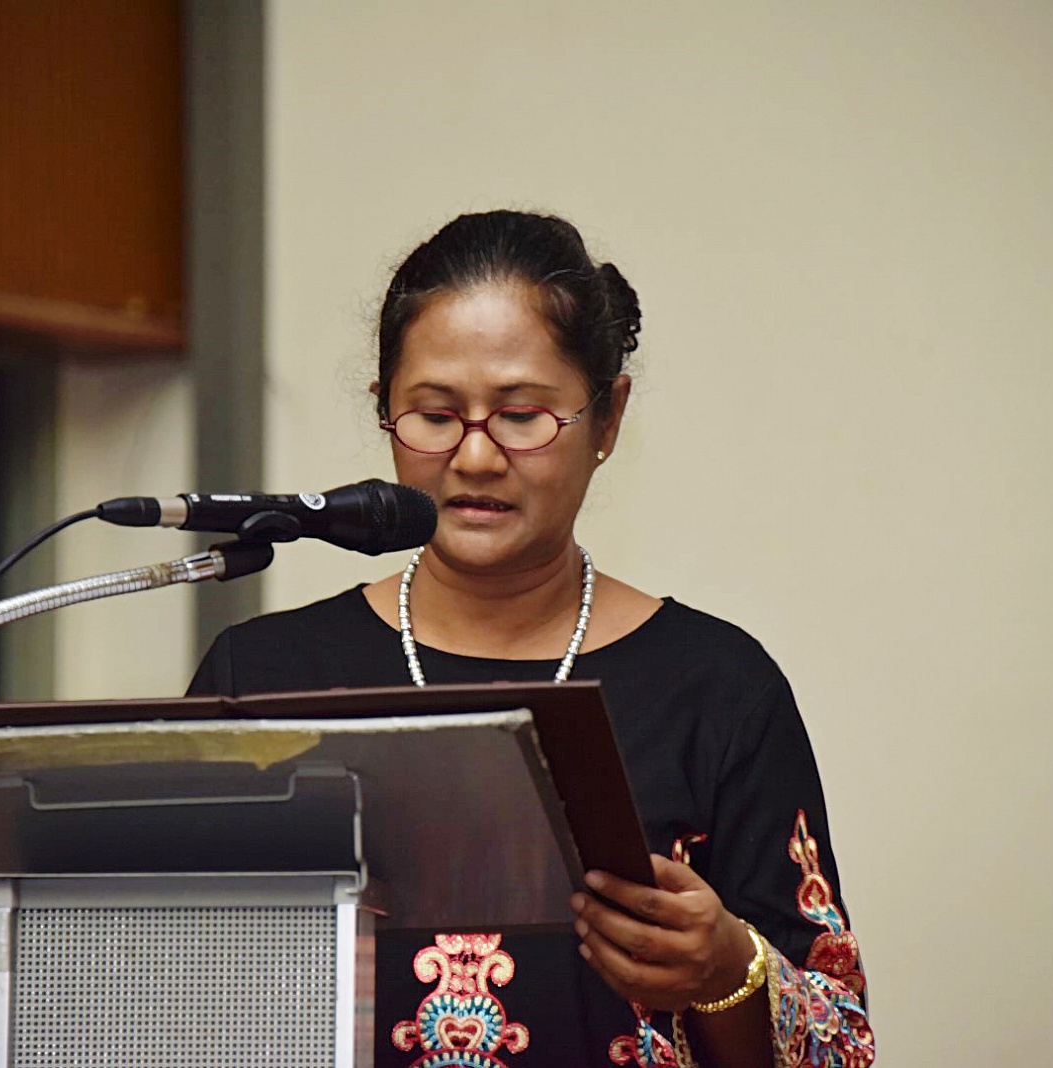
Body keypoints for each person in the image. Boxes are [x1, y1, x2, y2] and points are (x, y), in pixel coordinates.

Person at [187, 210, 874, 1067]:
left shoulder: (720, 688)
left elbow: (841, 1042)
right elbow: (176, 994)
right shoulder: (262, 677)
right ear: (384, 413)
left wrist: (730, 969)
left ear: (607, 419)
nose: (475, 457)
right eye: (434, 414)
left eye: (522, 415)